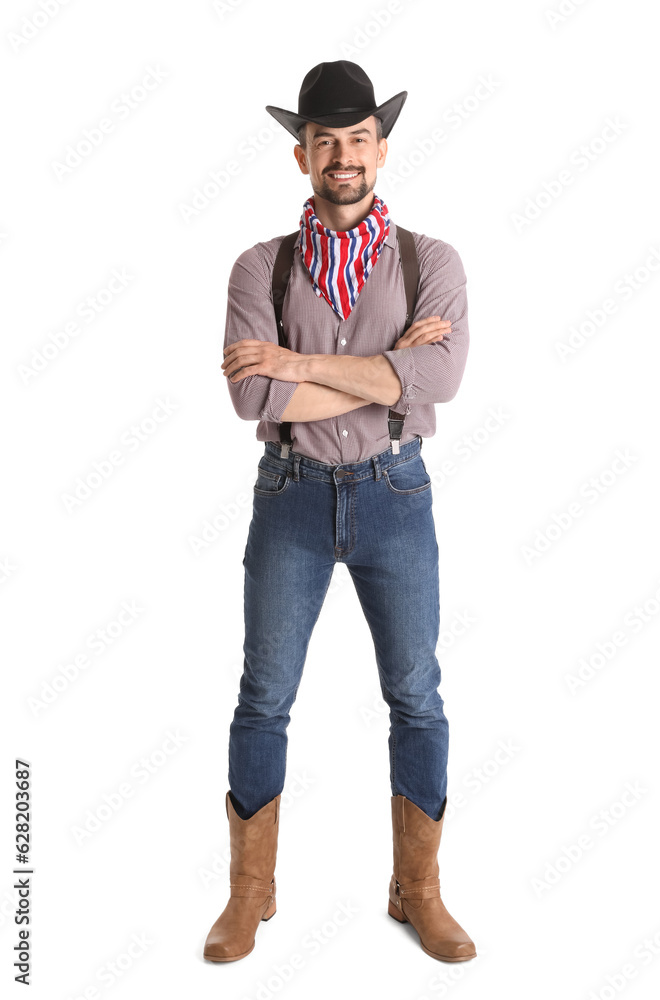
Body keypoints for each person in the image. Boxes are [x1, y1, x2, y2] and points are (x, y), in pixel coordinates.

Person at [203, 60, 476, 965]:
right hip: (289, 497)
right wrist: (382, 367)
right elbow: (251, 403)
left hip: (396, 494)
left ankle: (418, 892)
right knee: (263, 698)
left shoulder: (430, 261)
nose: (343, 156)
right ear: (302, 157)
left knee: (418, 698)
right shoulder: (260, 264)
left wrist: (299, 366)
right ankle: (250, 894)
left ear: (381, 149)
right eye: (326, 141)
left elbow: (437, 381)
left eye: (358, 139)